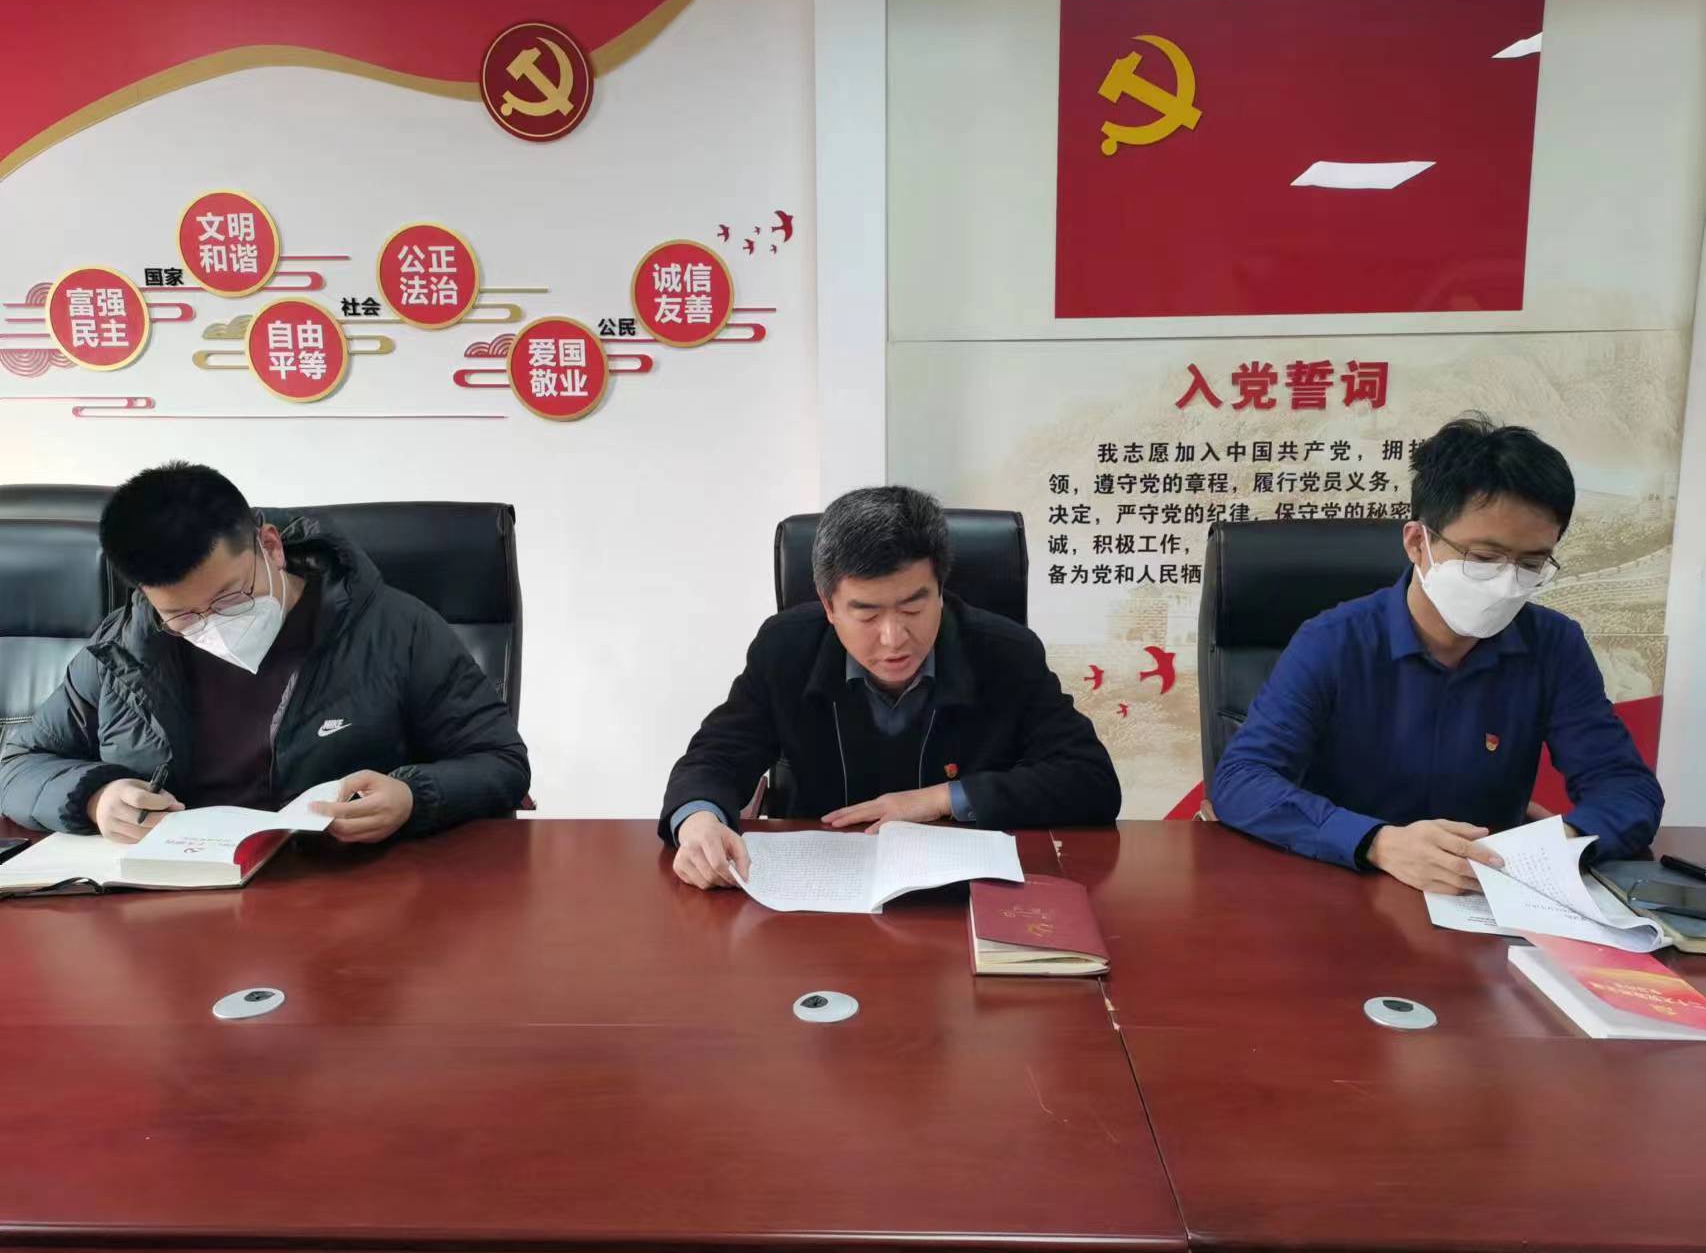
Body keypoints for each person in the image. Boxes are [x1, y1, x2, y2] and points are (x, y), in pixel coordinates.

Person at [1211, 415, 1662, 895]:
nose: (1507, 582)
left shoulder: (1554, 645)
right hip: (1346, 886)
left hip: (1487, 892)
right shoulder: (1333, 641)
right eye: (1484, 558)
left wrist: (1560, 841)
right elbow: (1242, 779)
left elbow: (1626, 788)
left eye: (1531, 563)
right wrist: (1378, 843)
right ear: (1416, 542)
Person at [0, 463, 529, 843]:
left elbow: (500, 761)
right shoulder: (124, 650)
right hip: (172, 899)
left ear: (270, 546)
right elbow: (16, 766)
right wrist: (95, 798)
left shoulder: (394, 627)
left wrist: (413, 797)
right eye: (183, 615)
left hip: (344, 892)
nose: (213, 626)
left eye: (230, 598)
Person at [661, 485, 1120, 890]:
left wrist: (939, 799)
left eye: (913, 608)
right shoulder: (785, 648)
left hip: (961, 894)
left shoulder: (1005, 653)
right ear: (829, 605)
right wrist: (698, 820)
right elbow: (716, 755)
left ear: (940, 589)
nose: (893, 638)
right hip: (821, 893)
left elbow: (1090, 779)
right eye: (866, 613)